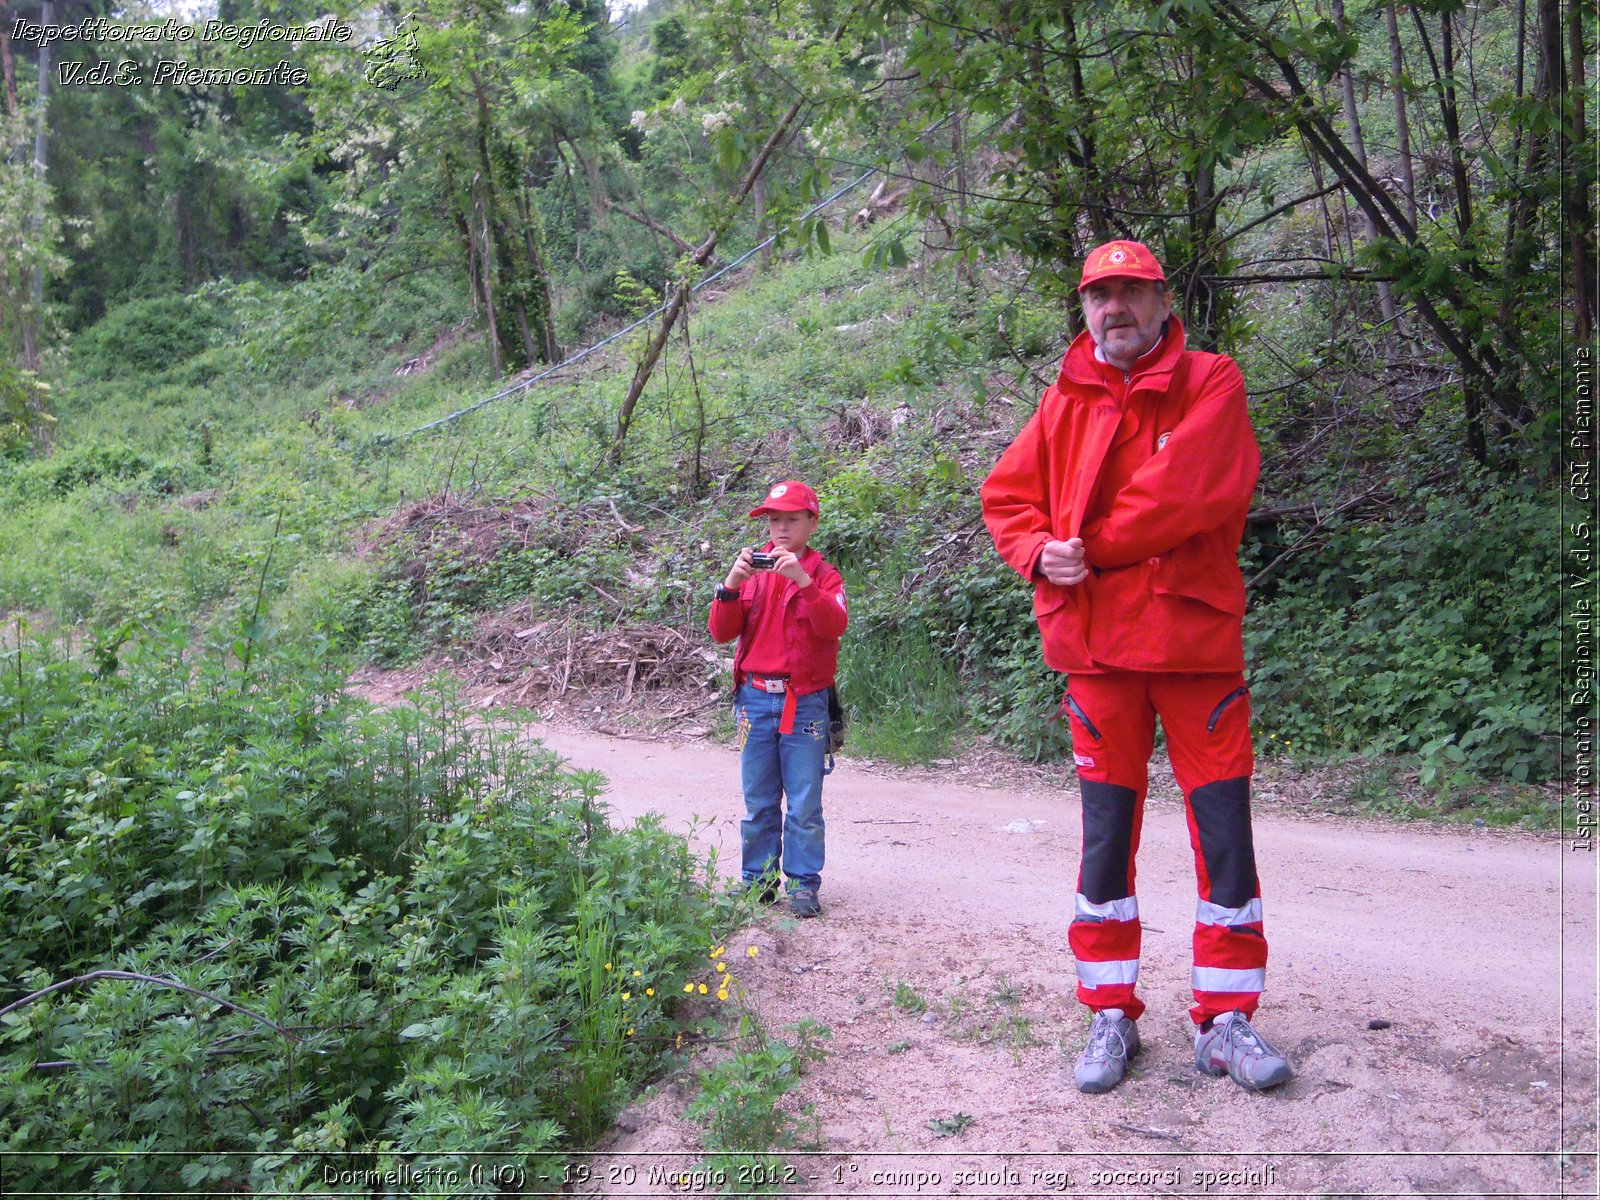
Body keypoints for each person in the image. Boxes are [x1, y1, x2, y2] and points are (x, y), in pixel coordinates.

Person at [980, 240, 1291, 1094]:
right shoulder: (1063, 400)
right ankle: (1109, 1013)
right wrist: (1042, 552)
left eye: (1130, 293)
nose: (1113, 309)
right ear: (1085, 310)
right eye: (1098, 296)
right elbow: (1006, 498)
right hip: (1097, 654)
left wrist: (1090, 547)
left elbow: (1186, 494)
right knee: (1105, 841)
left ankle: (1227, 1019)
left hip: (1193, 649)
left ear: (1163, 302)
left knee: (1225, 836)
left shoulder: (1212, 381)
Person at [709, 480, 848, 918]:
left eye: (791, 519)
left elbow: (833, 625)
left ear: (812, 522)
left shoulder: (824, 576)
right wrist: (731, 584)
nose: (781, 528)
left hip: (804, 702)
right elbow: (721, 632)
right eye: (773, 520)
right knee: (759, 801)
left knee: (805, 802)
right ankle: (758, 882)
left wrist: (803, 581)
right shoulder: (754, 572)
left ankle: (804, 885)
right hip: (754, 699)